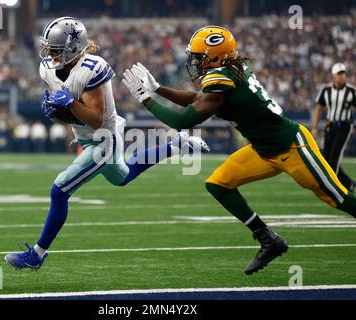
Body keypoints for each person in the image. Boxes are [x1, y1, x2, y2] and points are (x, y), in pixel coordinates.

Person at [122, 26, 356, 275]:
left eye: (199, 56)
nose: (195, 62)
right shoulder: (229, 71)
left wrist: (145, 99)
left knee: (337, 197)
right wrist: (158, 89)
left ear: (215, 56)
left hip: (292, 146)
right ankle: (268, 239)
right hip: (263, 149)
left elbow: (183, 122)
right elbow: (196, 99)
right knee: (218, 183)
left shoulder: (222, 78)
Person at [4, 17, 209, 270]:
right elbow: (64, 116)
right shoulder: (47, 67)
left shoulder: (92, 67)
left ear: (73, 48)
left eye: (56, 49)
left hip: (104, 138)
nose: (49, 53)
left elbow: (97, 121)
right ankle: (175, 145)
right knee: (122, 175)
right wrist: (55, 111)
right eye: (48, 48)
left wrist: (68, 103)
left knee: (59, 191)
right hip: (85, 136)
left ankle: (37, 254)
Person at [311, 63, 356, 192]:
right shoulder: (326, 90)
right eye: (339, 74)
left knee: (334, 157)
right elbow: (319, 108)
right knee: (327, 157)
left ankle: (333, 187)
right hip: (330, 126)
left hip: (344, 126)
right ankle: (349, 183)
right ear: (333, 75)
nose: (342, 76)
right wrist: (314, 127)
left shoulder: (351, 91)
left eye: (343, 73)